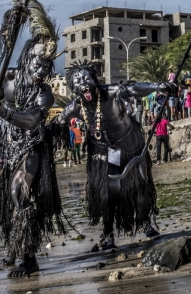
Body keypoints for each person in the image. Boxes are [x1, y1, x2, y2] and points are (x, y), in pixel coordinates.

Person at [0, 0, 65, 277]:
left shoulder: (45, 93)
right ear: (28, 57)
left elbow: (31, 121)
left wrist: (2, 112)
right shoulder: (10, 76)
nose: (43, 71)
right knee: (7, 198)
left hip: (31, 146)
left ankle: (29, 259)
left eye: (47, 68)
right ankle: (14, 247)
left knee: (20, 192)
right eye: (39, 64)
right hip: (5, 145)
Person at [54, 60, 172, 250]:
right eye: (78, 81)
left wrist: (158, 87)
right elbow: (57, 123)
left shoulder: (110, 92)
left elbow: (133, 88)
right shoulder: (75, 107)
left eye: (86, 78)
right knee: (108, 193)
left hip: (130, 144)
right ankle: (108, 233)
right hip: (102, 151)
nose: (84, 83)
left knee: (140, 187)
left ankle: (144, 221)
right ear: (73, 88)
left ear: (95, 79)